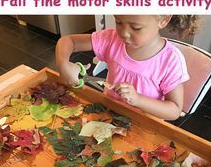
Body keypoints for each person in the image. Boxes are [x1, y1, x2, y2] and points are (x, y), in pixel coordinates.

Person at [56, 15, 198, 120]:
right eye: (118, 22)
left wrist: (138, 100)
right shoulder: (111, 39)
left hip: (145, 126)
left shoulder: (170, 60)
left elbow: (174, 110)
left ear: (163, 20)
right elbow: (69, 41)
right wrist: (63, 63)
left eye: (136, 27)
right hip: (108, 114)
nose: (124, 33)